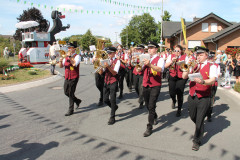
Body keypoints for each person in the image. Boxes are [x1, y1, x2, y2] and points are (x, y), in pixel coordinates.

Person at [182, 46, 218, 151]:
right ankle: (200, 127)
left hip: (204, 97)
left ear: (206, 55)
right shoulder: (193, 64)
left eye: (201, 55)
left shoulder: (212, 66)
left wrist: (202, 82)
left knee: (199, 119)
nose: (198, 57)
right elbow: (184, 76)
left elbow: (212, 80)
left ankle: (196, 141)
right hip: (192, 95)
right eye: (197, 54)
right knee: (192, 116)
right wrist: (187, 65)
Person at [141, 41, 165, 137]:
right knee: (147, 105)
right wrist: (139, 66)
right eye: (148, 48)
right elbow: (140, 69)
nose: (149, 49)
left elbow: (160, 69)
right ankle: (154, 115)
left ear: (156, 49)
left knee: (151, 105)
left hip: (155, 85)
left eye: (151, 48)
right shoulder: (145, 58)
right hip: (146, 83)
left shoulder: (160, 59)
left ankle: (149, 127)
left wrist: (149, 64)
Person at [165, 45, 189, 117]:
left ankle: (179, 109)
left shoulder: (185, 57)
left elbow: (187, 68)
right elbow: (165, 66)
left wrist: (183, 65)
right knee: (171, 92)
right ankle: (174, 100)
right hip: (172, 75)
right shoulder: (170, 56)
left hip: (181, 77)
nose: (176, 52)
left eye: (178, 51)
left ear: (181, 51)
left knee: (179, 92)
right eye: (175, 51)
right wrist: (172, 61)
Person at [59, 43, 82, 116]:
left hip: (74, 77)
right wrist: (60, 61)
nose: (69, 49)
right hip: (67, 76)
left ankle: (70, 109)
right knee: (66, 92)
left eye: (70, 48)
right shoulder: (65, 56)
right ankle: (77, 101)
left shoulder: (77, 56)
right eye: (68, 48)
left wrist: (70, 56)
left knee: (71, 93)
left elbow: (74, 64)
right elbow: (61, 66)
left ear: (74, 49)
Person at [99, 47, 120, 125]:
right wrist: (101, 66)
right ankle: (114, 107)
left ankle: (112, 117)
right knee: (105, 100)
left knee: (113, 99)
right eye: (108, 53)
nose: (109, 55)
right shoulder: (106, 61)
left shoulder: (117, 61)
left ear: (115, 53)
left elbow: (115, 73)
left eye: (111, 53)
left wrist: (108, 66)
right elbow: (101, 73)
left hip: (113, 81)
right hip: (106, 81)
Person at [206, 51, 220, 122]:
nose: (210, 59)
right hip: (205, 84)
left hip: (213, 84)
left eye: (212, 57)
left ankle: (209, 115)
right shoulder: (205, 64)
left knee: (211, 100)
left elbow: (217, 76)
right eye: (209, 57)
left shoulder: (217, 65)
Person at [132, 44, 145, 109]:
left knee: (141, 87)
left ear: (143, 49)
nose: (138, 50)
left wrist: (139, 58)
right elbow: (133, 64)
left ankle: (141, 101)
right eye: (138, 49)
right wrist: (133, 60)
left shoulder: (145, 56)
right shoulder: (135, 55)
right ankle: (140, 96)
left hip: (142, 73)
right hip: (136, 72)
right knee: (136, 87)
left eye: (140, 49)